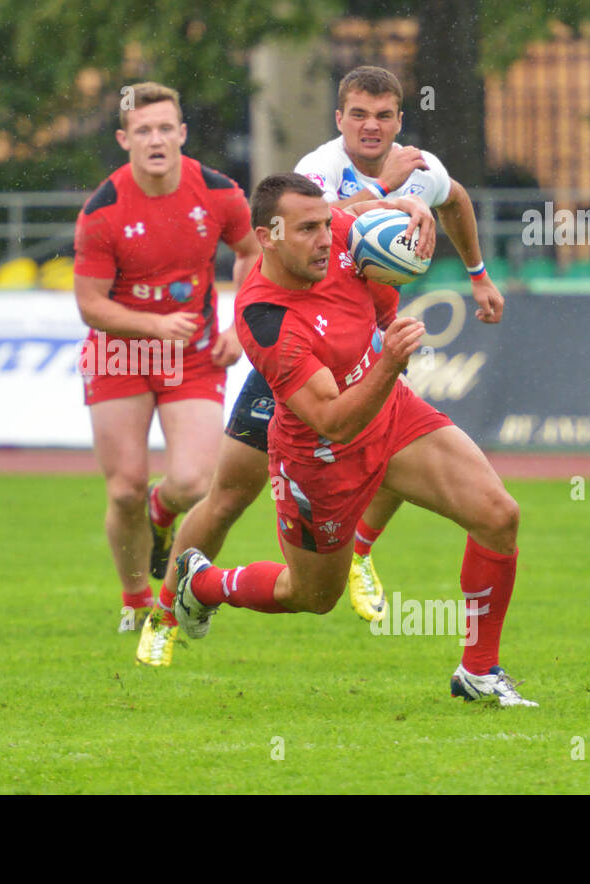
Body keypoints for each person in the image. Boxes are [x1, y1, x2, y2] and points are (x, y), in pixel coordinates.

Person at [136, 65, 506, 666]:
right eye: (359, 114)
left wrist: (476, 274)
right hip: (298, 362)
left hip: (365, 346)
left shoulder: (419, 167)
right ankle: (167, 608)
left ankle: (360, 551)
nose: (371, 125)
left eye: (383, 115)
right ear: (340, 119)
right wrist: (382, 196)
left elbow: (456, 199)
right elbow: (278, 243)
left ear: (398, 121)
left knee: (405, 461)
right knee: (229, 495)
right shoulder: (318, 172)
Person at [171, 173, 535, 706]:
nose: (326, 238)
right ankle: (202, 585)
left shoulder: (340, 233)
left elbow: (368, 205)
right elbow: (332, 420)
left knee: (498, 515)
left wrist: (410, 206)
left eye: (325, 223)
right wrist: (389, 360)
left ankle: (478, 672)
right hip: (320, 458)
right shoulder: (265, 317)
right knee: (313, 595)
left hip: (390, 415)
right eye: (308, 229)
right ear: (267, 236)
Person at [73, 82, 260, 651]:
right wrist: (153, 326)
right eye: (143, 130)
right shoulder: (103, 210)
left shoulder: (221, 193)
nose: (155, 139)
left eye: (165, 128)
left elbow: (254, 252)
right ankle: (135, 600)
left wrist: (238, 328)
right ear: (124, 139)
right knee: (125, 487)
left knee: (192, 482)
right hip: (120, 353)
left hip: (194, 356)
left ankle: (164, 509)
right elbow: (90, 304)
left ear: (182, 134)